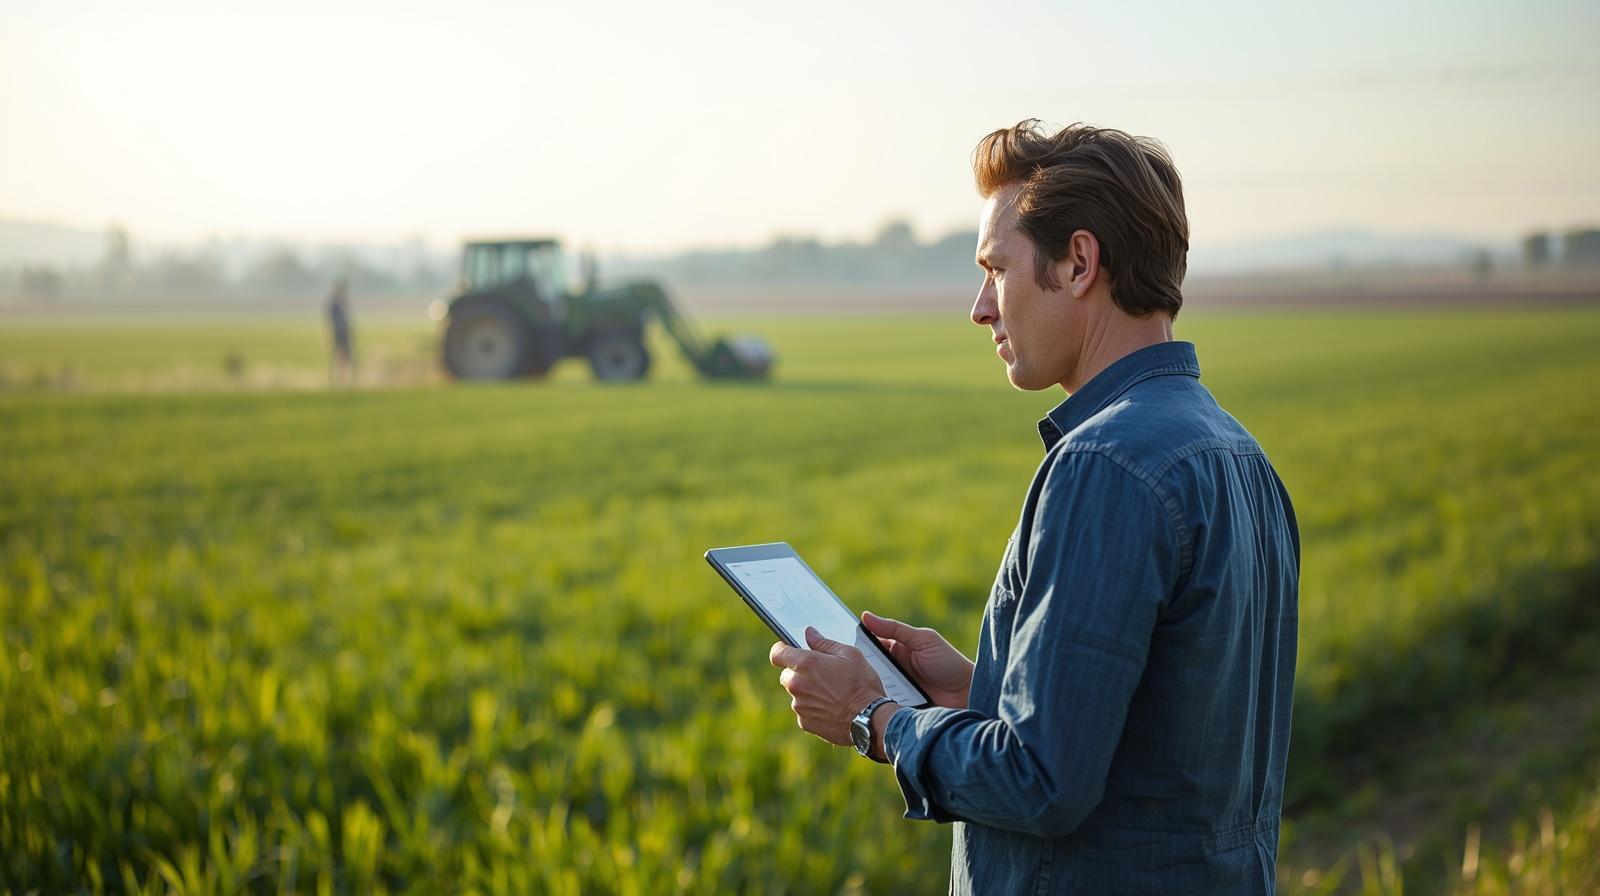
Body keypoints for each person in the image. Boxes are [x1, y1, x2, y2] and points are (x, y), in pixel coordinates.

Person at [770, 120, 1299, 894]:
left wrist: (874, 719)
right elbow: (1161, 735)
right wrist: (976, 689)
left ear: (1079, 262)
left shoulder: (1103, 465)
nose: (981, 308)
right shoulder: (1240, 456)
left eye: (997, 269)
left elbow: (1040, 781)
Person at [326, 278, 354, 385]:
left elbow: (348, 319)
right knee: (337, 356)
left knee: (346, 356)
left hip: (345, 333)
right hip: (337, 333)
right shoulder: (333, 304)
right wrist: (329, 334)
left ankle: (344, 379)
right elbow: (329, 321)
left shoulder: (343, 303)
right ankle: (336, 379)